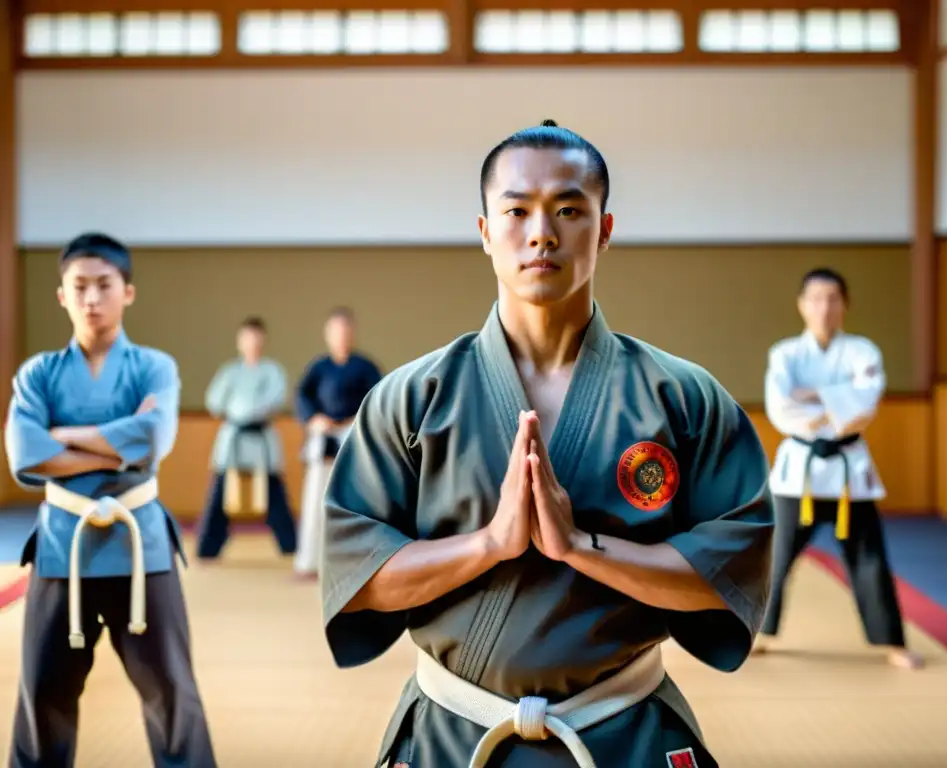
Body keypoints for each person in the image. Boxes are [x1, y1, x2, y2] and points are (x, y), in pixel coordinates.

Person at [318, 121, 775, 768]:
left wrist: (582, 547)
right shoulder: (412, 399)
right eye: (516, 210)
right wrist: (489, 545)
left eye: (568, 209)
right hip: (453, 733)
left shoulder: (684, 399)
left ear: (605, 229)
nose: (542, 232)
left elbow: (729, 574)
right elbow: (357, 579)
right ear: (484, 231)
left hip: (624, 730)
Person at [3, 232, 217, 767]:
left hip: (140, 542)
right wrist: (116, 448)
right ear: (62, 296)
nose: (92, 298)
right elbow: (24, 453)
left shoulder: (154, 367)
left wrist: (65, 435)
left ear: (128, 292)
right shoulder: (38, 374)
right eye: (80, 287)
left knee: (172, 696)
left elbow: (155, 439)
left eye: (104, 285)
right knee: (42, 695)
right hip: (60, 547)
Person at [757, 267, 923, 670]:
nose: (824, 307)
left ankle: (891, 641)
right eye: (815, 299)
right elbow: (782, 407)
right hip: (800, 472)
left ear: (845, 305)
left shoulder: (863, 352)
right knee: (771, 558)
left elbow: (864, 407)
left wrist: (812, 396)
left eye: (832, 299)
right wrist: (837, 400)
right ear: (801, 305)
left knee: (870, 557)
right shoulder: (785, 353)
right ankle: (757, 633)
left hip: (850, 471)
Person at [195, 316, 297, 561]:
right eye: (248, 338)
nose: (253, 343)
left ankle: (290, 545)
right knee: (220, 491)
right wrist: (236, 410)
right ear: (240, 341)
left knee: (274, 493)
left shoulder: (272, 370)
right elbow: (214, 402)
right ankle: (208, 547)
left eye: (257, 338)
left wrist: (251, 410)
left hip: (261, 436)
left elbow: (275, 400)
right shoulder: (230, 372)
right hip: (234, 436)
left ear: (264, 340)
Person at [293, 307, 381, 579]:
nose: (342, 336)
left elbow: (379, 397)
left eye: (346, 331)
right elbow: (302, 397)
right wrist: (314, 418)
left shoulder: (366, 367)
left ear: (353, 334)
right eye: (336, 331)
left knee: (357, 502)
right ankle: (308, 563)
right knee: (314, 501)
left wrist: (357, 419)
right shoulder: (318, 368)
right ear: (328, 335)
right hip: (324, 437)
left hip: (354, 436)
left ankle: (358, 563)